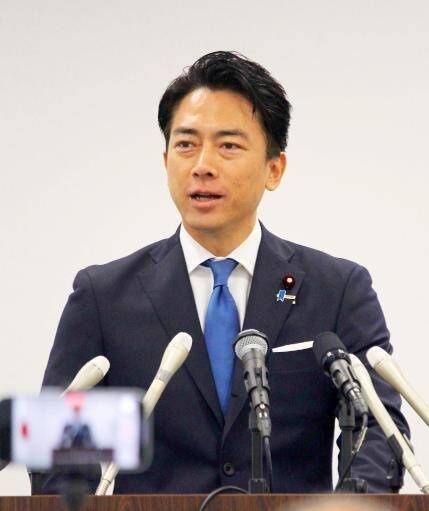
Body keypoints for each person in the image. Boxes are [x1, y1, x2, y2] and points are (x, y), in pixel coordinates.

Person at [40, 51, 409, 494]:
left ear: (274, 169)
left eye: (228, 145)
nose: (203, 165)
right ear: (165, 161)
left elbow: (379, 433)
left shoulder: (337, 290)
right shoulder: (104, 298)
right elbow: (59, 457)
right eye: (186, 144)